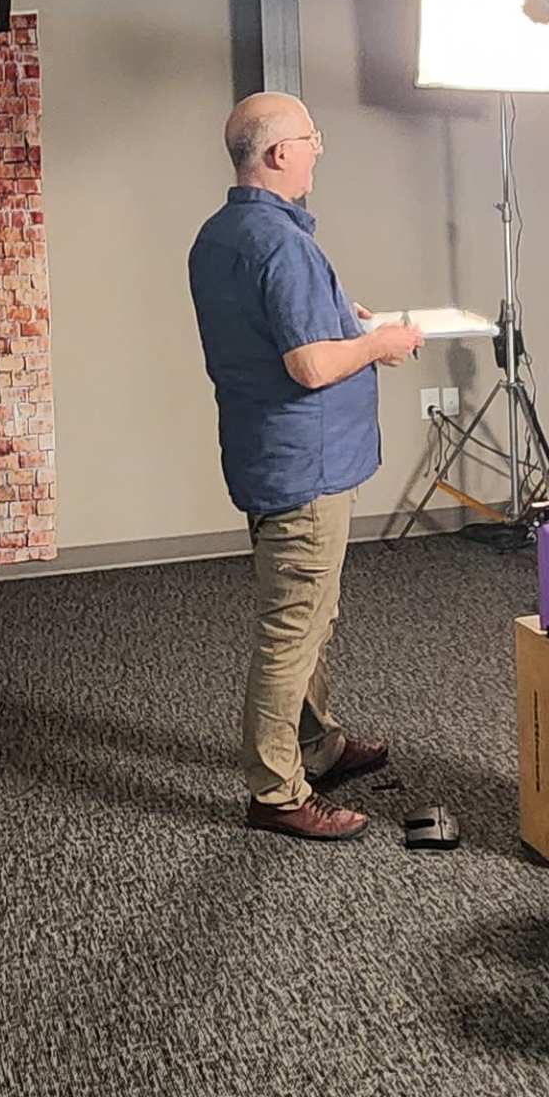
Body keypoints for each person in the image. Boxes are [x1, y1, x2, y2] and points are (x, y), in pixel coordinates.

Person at [187, 92, 423, 840]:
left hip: (267, 452)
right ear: (280, 152)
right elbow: (311, 365)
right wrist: (379, 343)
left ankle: (316, 744)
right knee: (292, 627)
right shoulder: (280, 243)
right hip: (304, 465)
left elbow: (271, 330)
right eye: (312, 138)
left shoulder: (221, 234)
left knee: (312, 614)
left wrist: (338, 316)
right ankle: (276, 790)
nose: (320, 149)